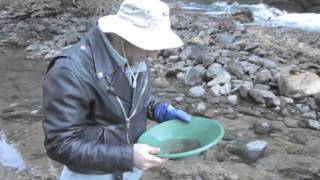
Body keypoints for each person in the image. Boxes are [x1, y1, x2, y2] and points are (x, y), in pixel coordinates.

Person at [42, 0, 192, 179]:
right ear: (123, 35)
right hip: (91, 175)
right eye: (149, 46)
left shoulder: (134, 53)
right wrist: (127, 156)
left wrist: (157, 108)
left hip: (130, 169)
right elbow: (60, 145)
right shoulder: (70, 70)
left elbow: (131, 94)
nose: (152, 56)